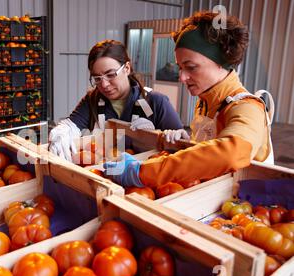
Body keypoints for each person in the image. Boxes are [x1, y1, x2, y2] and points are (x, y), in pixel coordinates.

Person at [104, 11, 274, 188]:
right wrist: (188, 144)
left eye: (191, 67)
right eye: (180, 68)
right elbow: (209, 152)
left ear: (221, 62)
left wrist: (143, 172)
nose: (182, 77)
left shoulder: (247, 107)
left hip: (246, 200)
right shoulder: (205, 102)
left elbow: (232, 152)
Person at [48, 40, 184, 161]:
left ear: (127, 68)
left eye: (111, 75)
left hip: (146, 180)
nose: (104, 85)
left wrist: (155, 136)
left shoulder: (155, 102)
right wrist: (62, 132)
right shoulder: (92, 100)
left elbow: (183, 149)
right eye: (97, 78)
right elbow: (72, 125)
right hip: (104, 179)